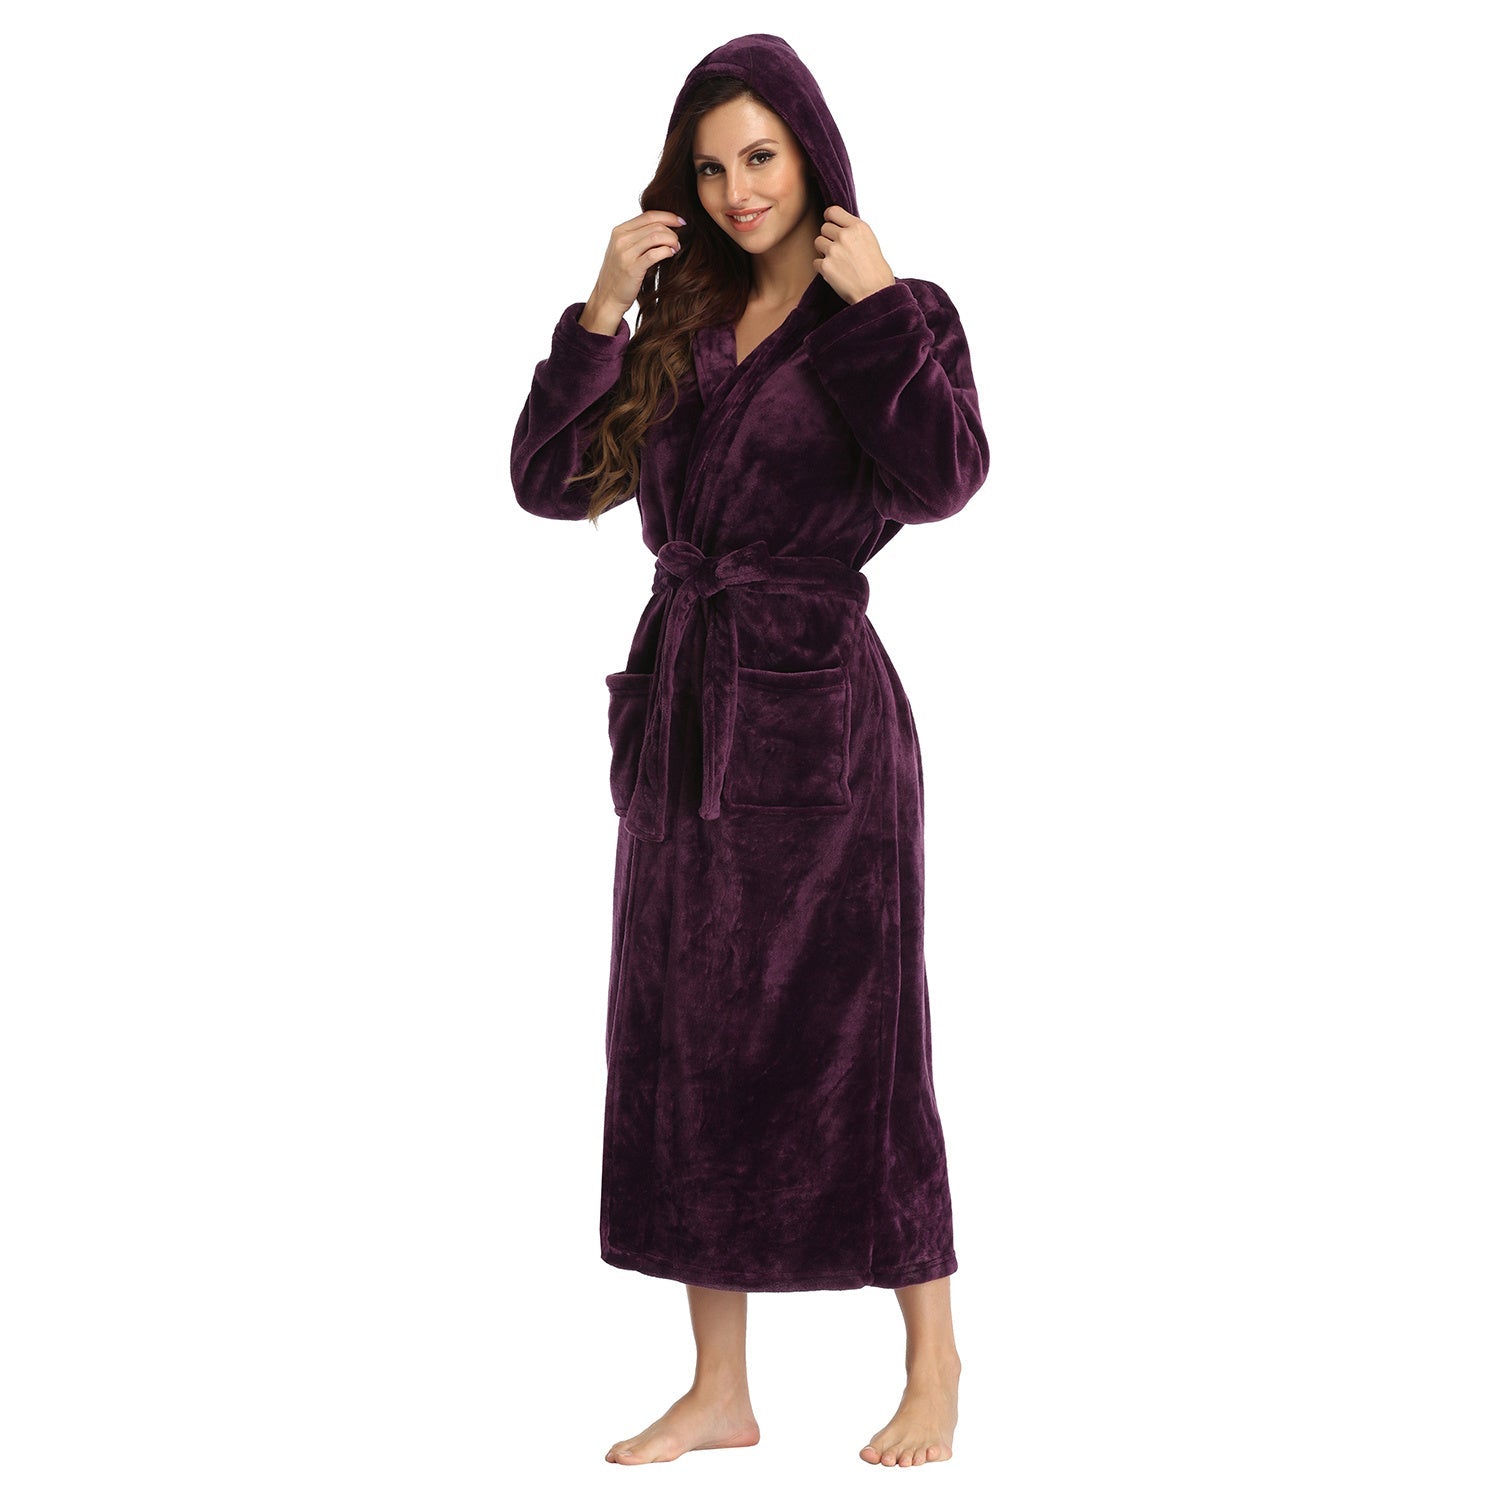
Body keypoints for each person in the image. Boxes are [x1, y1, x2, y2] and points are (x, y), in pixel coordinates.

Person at [511, 33, 990, 1467]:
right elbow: (550, 486)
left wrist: (877, 306)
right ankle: (721, 1388)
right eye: (712, 167)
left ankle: (935, 1365)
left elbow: (945, 479)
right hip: (684, 718)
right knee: (685, 1040)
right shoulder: (680, 318)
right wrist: (602, 309)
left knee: (861, 1034)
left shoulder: (896, 308)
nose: (738, 191)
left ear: (812, 154)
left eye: (761, 157)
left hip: (819, 724)